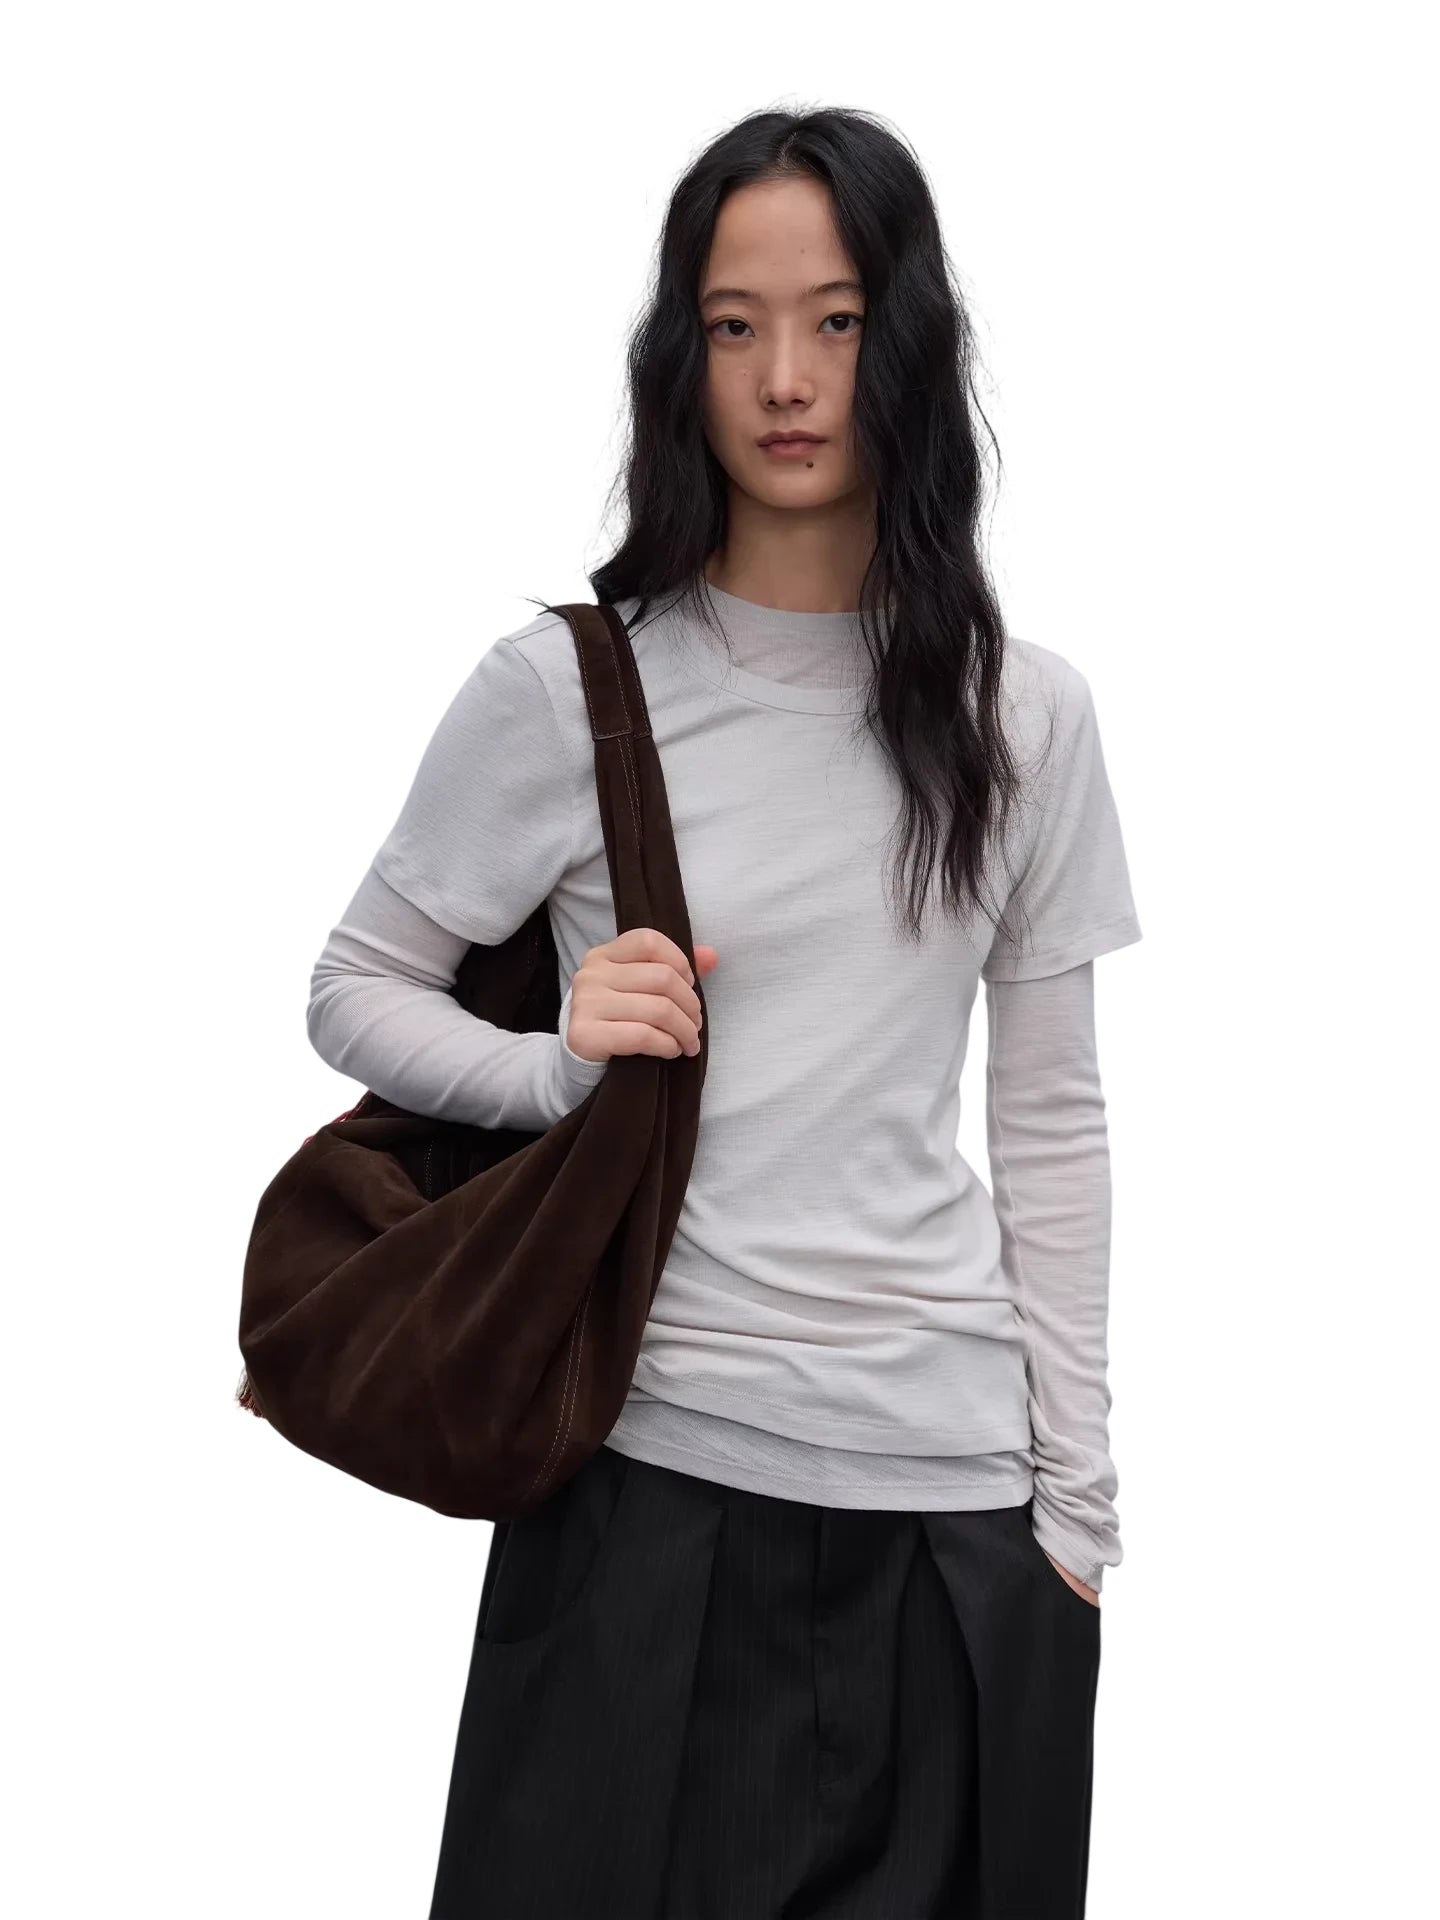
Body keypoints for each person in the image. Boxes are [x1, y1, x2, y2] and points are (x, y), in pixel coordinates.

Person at [307, 105, 1142, 1920]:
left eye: (836, 322)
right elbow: (356, 987)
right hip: (643, 1495)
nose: (784, 379)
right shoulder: (570, 690)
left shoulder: (1027, 719)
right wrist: (555, 1064)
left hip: (957, 1516)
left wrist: (1076, 1522)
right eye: (733, 324)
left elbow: (1052, 1122)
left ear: (906, 345)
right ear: (678, 356)